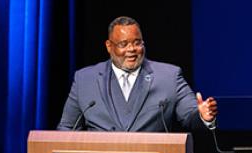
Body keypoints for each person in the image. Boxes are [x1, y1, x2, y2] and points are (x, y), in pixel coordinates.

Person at [57, 16, 217, 132]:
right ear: (108, 46)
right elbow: (67, 128)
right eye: (123, 44)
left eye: (137, 42)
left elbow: (190, 116)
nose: (132, 49)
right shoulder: (85, 79)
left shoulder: (169, 77)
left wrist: (203, 115)